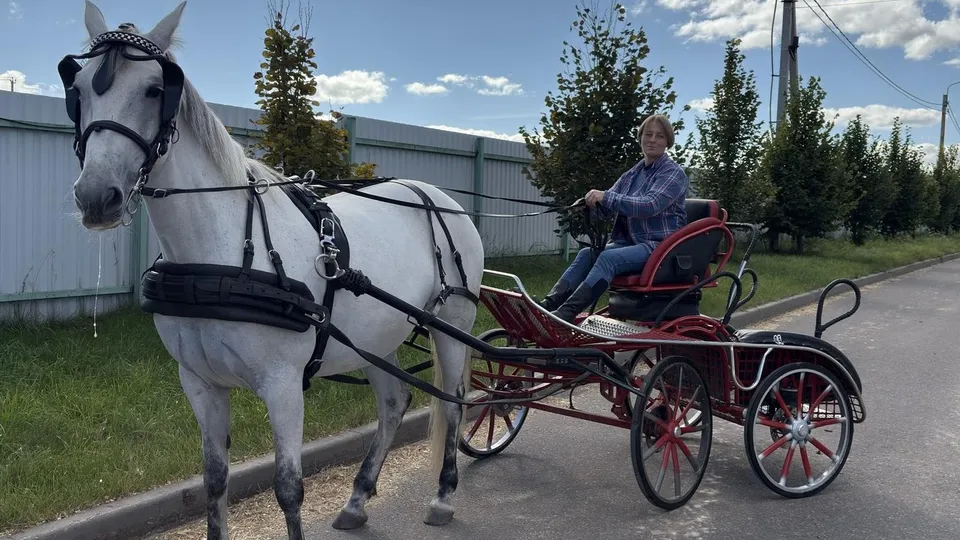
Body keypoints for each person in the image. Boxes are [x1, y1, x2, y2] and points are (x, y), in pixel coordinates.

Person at [540, 113, 690, 323]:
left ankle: (565, 314)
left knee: (608, 259)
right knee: (586, 254)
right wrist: (588, 206)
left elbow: (650, 205)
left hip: (660, 247)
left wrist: (606, 196)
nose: (653, 140)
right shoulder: (632, 174)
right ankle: (547, 306)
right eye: (648, 134)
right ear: (640, 138)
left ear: (667, 142)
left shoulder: (673, 174)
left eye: (660, 136)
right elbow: (606, 208)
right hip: (630, 243)